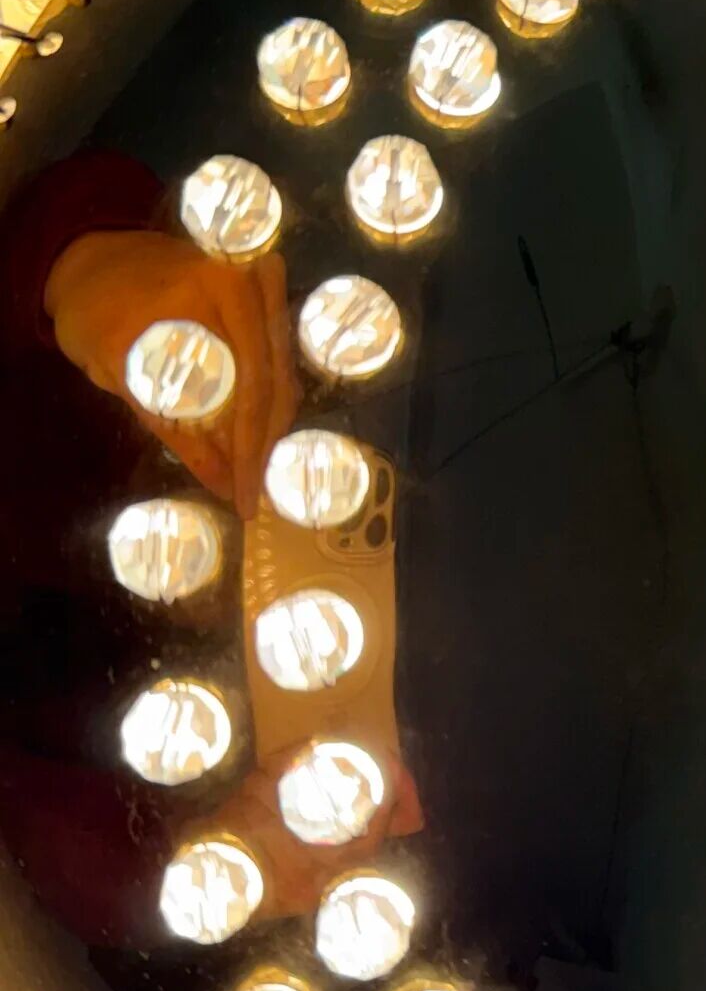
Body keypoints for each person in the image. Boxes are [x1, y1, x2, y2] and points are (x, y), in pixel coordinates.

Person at [0, 149, 417, 947]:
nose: (298, 614)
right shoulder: (187, 400)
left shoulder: (161, 731)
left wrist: (200, 863)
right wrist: (86, 256)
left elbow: (36, 865)